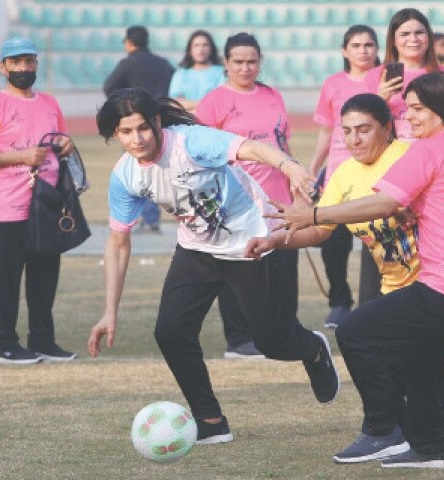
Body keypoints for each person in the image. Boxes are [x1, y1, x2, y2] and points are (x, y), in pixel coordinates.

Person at [265, 72, 444, 468]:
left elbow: (384, 203)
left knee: (355, 332)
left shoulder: (428, 148)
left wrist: (314, 212)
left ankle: (383, 430)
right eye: (409, 108)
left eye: (419, 109)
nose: (411, 116)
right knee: (416, 358)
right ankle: (432, 446)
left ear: (443, 110)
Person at [88, 88, 340, 445]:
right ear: (115, 134)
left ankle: (313, 348)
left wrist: (289, 166)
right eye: (126, 132)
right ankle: (210, 420)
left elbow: (250, 148)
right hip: (197, 252)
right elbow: (117, 243)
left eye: (143, 128)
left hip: (250, 243)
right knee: (170, 332)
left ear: (157, 122)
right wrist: (109, 311)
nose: (137, 138)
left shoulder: (191, 143)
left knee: (271, 341)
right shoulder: (125, 176)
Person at [0, 37, 76, 364]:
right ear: (3, 67)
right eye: (16, 62)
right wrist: (21, 156)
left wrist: (64, 145)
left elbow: (60, 139)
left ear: (37, 64)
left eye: (29, 61)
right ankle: (3, 344)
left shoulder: (49, 103)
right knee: (8, 276)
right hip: (12, 205)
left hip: (48, 203)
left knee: (45, 275)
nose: (24, 68)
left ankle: (42, 340)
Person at [196, 32, 298, 359]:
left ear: (260, 62)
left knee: (283, 266)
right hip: (236, 201)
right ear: (226, 63)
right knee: (242, 270)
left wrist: (294, 174)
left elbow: (282, 144)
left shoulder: (272, 95)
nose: (245, 68)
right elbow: (201, 155)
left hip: (278, 198)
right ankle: (239, 339)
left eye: (251, 61)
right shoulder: (214, 101)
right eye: (238, 62)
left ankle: (282, 330)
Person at [309, 25, 381, 328]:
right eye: (356, 45)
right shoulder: (333, 84)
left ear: (378, 49)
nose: (363, 50)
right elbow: (327, 130)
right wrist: (313, 170)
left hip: (376, 170)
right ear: (344, 51)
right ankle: (339, 301)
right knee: (332, 241)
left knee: (377, 239)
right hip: (339, 172)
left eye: (368, 44)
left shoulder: (387, 80)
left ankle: (376, 302)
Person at [103, 25, 174, 231]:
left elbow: (108, 87)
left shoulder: (128, 63)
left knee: (138, 170)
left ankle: (138, 218)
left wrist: (125, 105)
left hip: (136, 125)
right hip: (162, 123)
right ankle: (155, 218)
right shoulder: (162, 63)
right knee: (162, 169)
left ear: (129, 42)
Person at [364, 8, 444, 141]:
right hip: (391, 154)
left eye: (419, 32)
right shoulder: (375, 75)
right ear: (393, 41)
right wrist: (380, 100)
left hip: (433, 153)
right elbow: (363, 122)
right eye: (405, 34)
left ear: (428, 36)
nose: (413, 39)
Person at [168, 29, 224, 114]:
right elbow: (175, 104)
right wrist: (203, 105)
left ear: (211, 48)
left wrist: (189, 106)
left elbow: (219, 103)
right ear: (190, 50)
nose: (201, 49)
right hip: (185, 122)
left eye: (205, 45)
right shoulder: (180, 74)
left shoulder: (222, 72)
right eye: (196, 45)